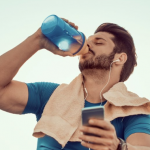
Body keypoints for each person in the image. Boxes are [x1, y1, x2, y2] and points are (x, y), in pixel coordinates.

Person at [0, 18, 150, 150]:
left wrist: (118, 147)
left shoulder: (134, 110)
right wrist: (37, 40)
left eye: (98, 42)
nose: (88, 45)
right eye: (88, 41)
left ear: (120, 58)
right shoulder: (50, 95)